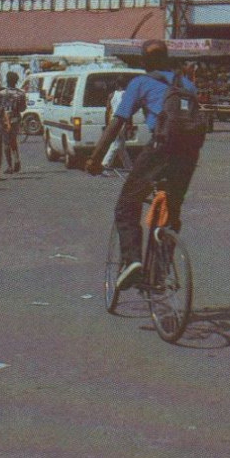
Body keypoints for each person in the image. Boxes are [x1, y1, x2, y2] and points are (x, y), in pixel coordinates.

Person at [85, 40, 205, 292]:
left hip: (159, 151)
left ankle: (132, 260)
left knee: (127, 203)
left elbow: (117, 124)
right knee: (172, 213)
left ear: (144, 62)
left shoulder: (140, 83)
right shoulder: (188, 85)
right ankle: (160, 274)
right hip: (187, 156)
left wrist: (95, 159)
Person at [0, 72, 25, 174]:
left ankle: (9, 166)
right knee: (13, 140)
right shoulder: (21, 93)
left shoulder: (2, 93)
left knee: (6, 143)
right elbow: (23, 108)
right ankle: (17, 160)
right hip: (16, 119)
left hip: (5, 120)